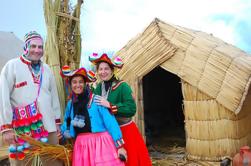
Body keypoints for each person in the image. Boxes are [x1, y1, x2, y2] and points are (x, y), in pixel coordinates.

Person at [0, 31, 62, 166]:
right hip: (22, 129)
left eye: (40, 47)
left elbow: (54, 97)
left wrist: (57, 122)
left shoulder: (47, 69)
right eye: (33, 46)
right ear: (26, 47)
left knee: (54, 162)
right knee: (22, 163)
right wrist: (6, 128)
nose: (37, 50)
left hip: (48, 127)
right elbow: (3, 97)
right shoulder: (12, 66)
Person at [89, 53, 152, 166]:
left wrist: (110, 105)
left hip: (125, 131)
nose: (103, 72)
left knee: (129, 161)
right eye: (101, 69)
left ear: (112, 70)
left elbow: (131, 109)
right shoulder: (98, 88)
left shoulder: (123, 86)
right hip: (107, 134)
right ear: (97, 71)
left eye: (106, 69)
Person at [60, 65, 127, 166]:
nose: (77, 85)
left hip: (101, 144)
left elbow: (111, 123)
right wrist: (61, 131)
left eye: (80, 82)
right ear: (70, 84)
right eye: (74, 82)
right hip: (81, 146)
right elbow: (67, 121)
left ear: (86, 84)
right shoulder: (71, 104)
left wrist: (120, 146)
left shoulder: (97, 100)